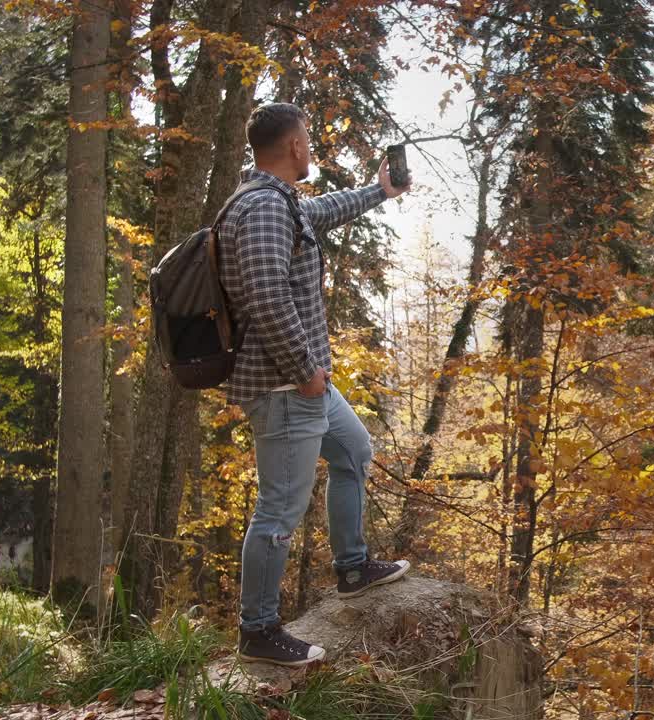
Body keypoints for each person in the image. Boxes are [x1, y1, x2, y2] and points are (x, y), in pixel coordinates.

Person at [216, 102, 412, 666]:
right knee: (278, 510)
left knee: (353, 451)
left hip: (305, 385)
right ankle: (258, 631)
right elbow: (266, 297)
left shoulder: (282, 204)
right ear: (295, 146)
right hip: (284, 386)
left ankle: (352, 567)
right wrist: (306, 372)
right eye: (307, 139)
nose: (311, 147)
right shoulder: (260, 210)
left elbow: (324, 211)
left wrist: (380, 191)